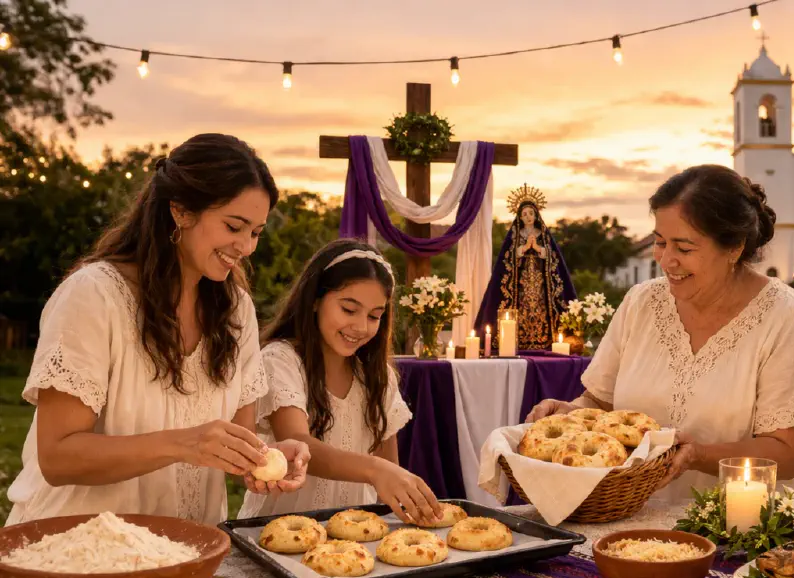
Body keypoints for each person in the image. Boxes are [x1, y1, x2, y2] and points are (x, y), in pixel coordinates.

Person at [5, 133, 309, 526]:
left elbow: (237, 437)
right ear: (181, 211)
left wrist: (265, 457)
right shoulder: (94, 295)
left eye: (255, 232)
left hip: (188, 552)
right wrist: (185, 444)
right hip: (77, 549)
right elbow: (58, 457)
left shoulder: (236, 311)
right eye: (234, 226)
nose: (247, 247)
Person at [527, 165, 794, 501]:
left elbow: (788, 453)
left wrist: (697, 456)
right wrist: (571, 415)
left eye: (684, 248)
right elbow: (600, 402)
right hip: (636, 512)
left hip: (755, 520)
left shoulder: (787, 318)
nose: (666, 260)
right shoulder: (641, 303)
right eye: (661, 243)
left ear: (734, 247)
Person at [237, 239, 442, 523]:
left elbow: (389, 468)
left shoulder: (377, 376)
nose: (360, 326)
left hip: (355, 539)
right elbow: (296, 441)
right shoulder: (281, 360)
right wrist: (374, 469)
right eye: (348, 309)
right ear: (316, 300)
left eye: (374, 316)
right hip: (280, 528)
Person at [473, 183, 576, 351]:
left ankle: (545, 341)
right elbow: (508, 258)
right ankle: (519, 341)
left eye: (531, 213)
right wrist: (523, 248)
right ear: (520, 217)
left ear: (536, 215)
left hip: (540, 284)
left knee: (540, 310)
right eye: (524, 214)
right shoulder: (515, 235)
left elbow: (552, 257)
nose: (528, 217)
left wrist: (537, 249)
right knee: (521, 311)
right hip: (521, 283)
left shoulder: (543, 234)